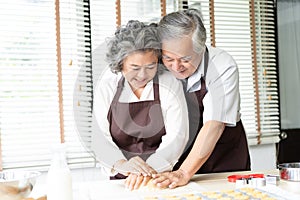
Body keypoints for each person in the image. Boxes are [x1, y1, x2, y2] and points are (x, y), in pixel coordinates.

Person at [152, 8, 251, 188]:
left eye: (185, 59)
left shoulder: (221, 65)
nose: (176, 66)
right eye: (168, 58)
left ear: (201, 47)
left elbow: (215, 124)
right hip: (178, 156)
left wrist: (184, 172)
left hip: (223, 158)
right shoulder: (155, 62)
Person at [91, 20, 189, 190]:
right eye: (134, 68)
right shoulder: (107, 86)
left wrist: (148, 170)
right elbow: (100, 138)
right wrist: (122, 164)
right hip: (120, 180)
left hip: (159, 177)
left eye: (150, 66)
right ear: (120, 64)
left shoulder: (169, 83)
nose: (142, 75)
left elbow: (178, 135)